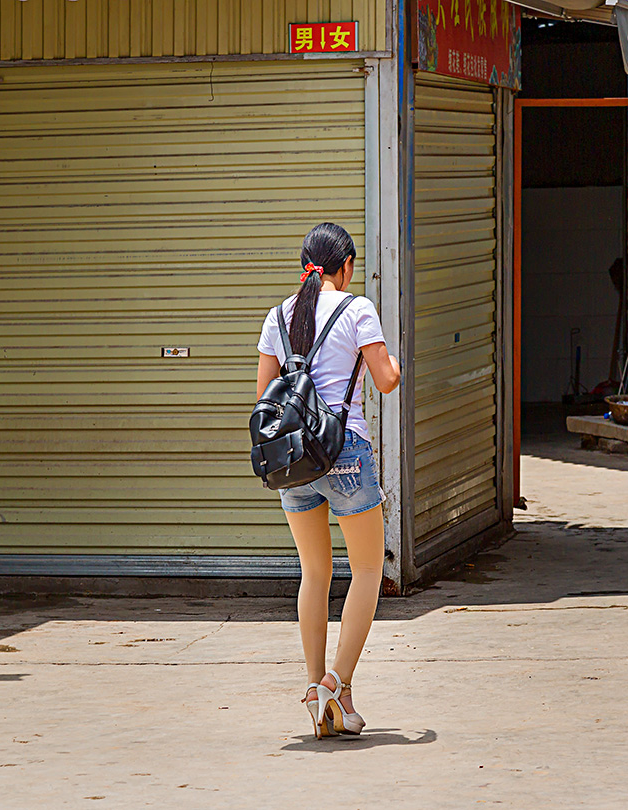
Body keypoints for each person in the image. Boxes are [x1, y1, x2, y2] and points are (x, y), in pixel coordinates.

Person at [256, 223, 402, 738]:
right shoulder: (357, 309)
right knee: (366, 571)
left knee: (314, 575)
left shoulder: (279, 315)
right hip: (345, 455)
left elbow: (264, 398)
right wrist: (392, 362)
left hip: (295, 460)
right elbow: (386, 380)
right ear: (346, 268)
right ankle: (335, 684)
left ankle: (322, 691)